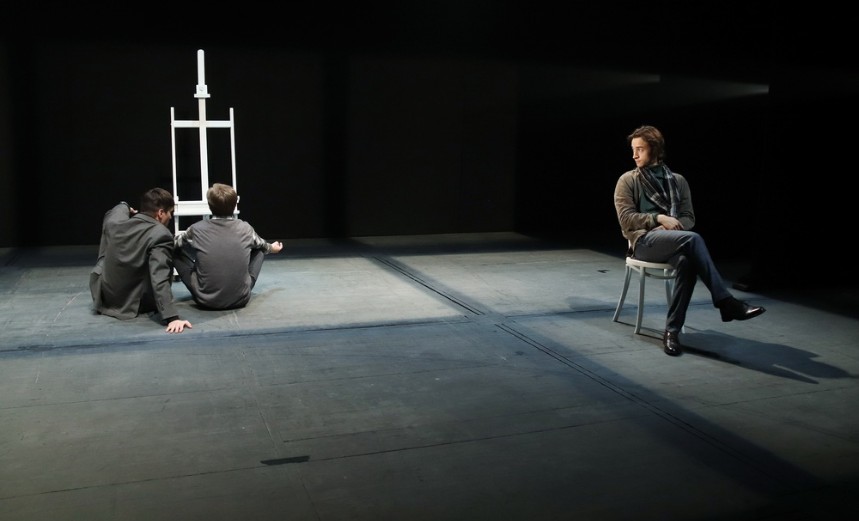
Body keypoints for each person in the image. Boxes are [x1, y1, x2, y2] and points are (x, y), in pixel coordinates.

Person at [613, 125, 764, 356]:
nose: (634, 155)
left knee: (687, 262)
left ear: (655, 149)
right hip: (644, 242)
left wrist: (672, 227)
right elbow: (626, 219)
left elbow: (688, 217)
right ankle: (726, 302)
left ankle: (671, 332)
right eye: (633, 149)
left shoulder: (678, 181)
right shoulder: (627, 180)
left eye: (640, 149)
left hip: (673, 241)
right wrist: (658, 218)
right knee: (693, 240)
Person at [90, 188, 193, 334]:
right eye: (170, 212)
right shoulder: (161, 234)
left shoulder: (115, 223)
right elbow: (159, 277)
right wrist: (172, 317)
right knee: (174, 249)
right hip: (131, 306)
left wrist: (125, 206)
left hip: (105, 298)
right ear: (160, 213)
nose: (170, 217)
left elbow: (114, 212)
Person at [173, 183, 283, 310]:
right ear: (235, 205)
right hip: (240, 299)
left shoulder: (196, 229)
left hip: (204, 301)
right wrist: (272, 248)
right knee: (260, 250)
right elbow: (263, 245)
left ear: (209, 205)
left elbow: (174, 244)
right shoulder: (245, 229)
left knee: (173, 251)